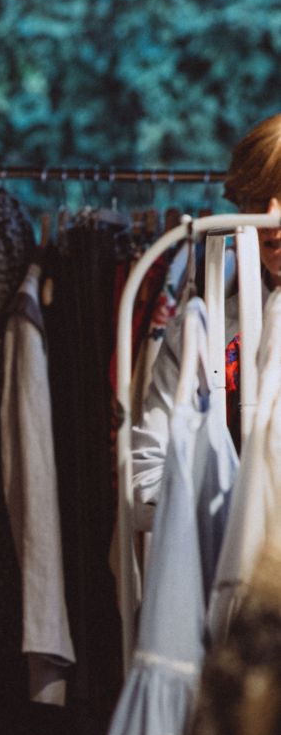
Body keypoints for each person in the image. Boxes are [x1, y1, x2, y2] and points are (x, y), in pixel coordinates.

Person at [132, 112, 281, 524]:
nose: (272, 216)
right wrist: (223, 520)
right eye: (258, 198)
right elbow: (147, 471)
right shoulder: (205, 329)